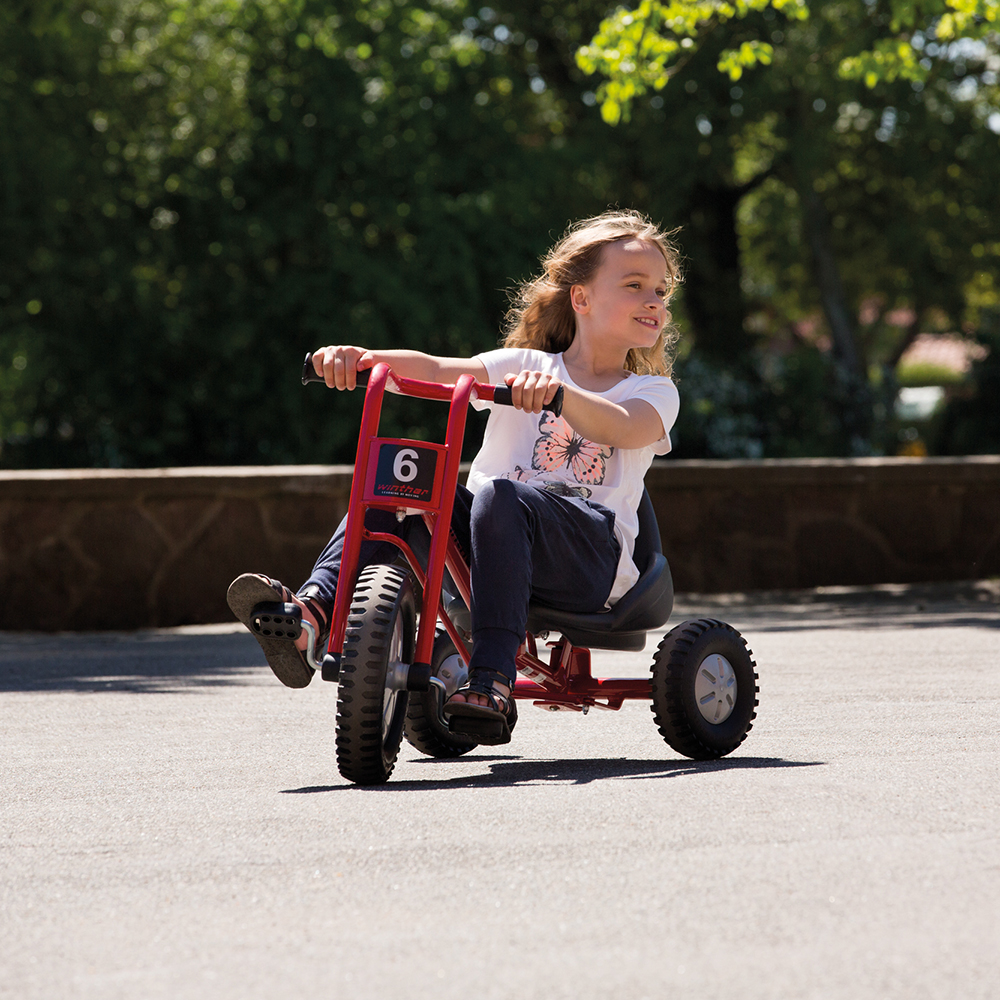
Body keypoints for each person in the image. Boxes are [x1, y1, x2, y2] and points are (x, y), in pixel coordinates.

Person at [227, 208, 681, 745]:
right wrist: (363, 360)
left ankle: (490, 678)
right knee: (400, 490)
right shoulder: (524, 364)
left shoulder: (650, 392)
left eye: (662, 290)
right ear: (580, 298)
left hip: (590, 558)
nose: (655, 301)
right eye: (635, 286)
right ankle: (311, 616)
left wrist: (563, 397)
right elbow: (442, 371)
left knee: (503, 495)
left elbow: (625, 428)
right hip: (497, 535)